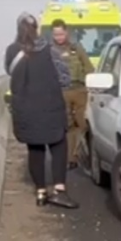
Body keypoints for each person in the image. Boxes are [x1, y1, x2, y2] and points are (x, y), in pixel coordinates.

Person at [5, 12, 78, 209]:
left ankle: (40, 192)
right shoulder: (49, 50)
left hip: (25, 111)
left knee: (35, 149)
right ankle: (59, 191)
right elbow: (64, 77)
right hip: (50, 107)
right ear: (37, 29)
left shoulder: (12, 52)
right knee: (58, 146)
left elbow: (10, 72)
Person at [50, 19, 95, 169]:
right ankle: (72, 159)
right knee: (68, 126)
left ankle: (85, 155)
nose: (59, 37)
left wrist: (92, 85)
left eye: (61, 34)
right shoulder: (50, 51)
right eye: (56, 34)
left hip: (80, 91)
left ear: (66, 32)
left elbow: (88, 68)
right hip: (61, 92)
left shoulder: (77, 48)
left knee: (82, 124)